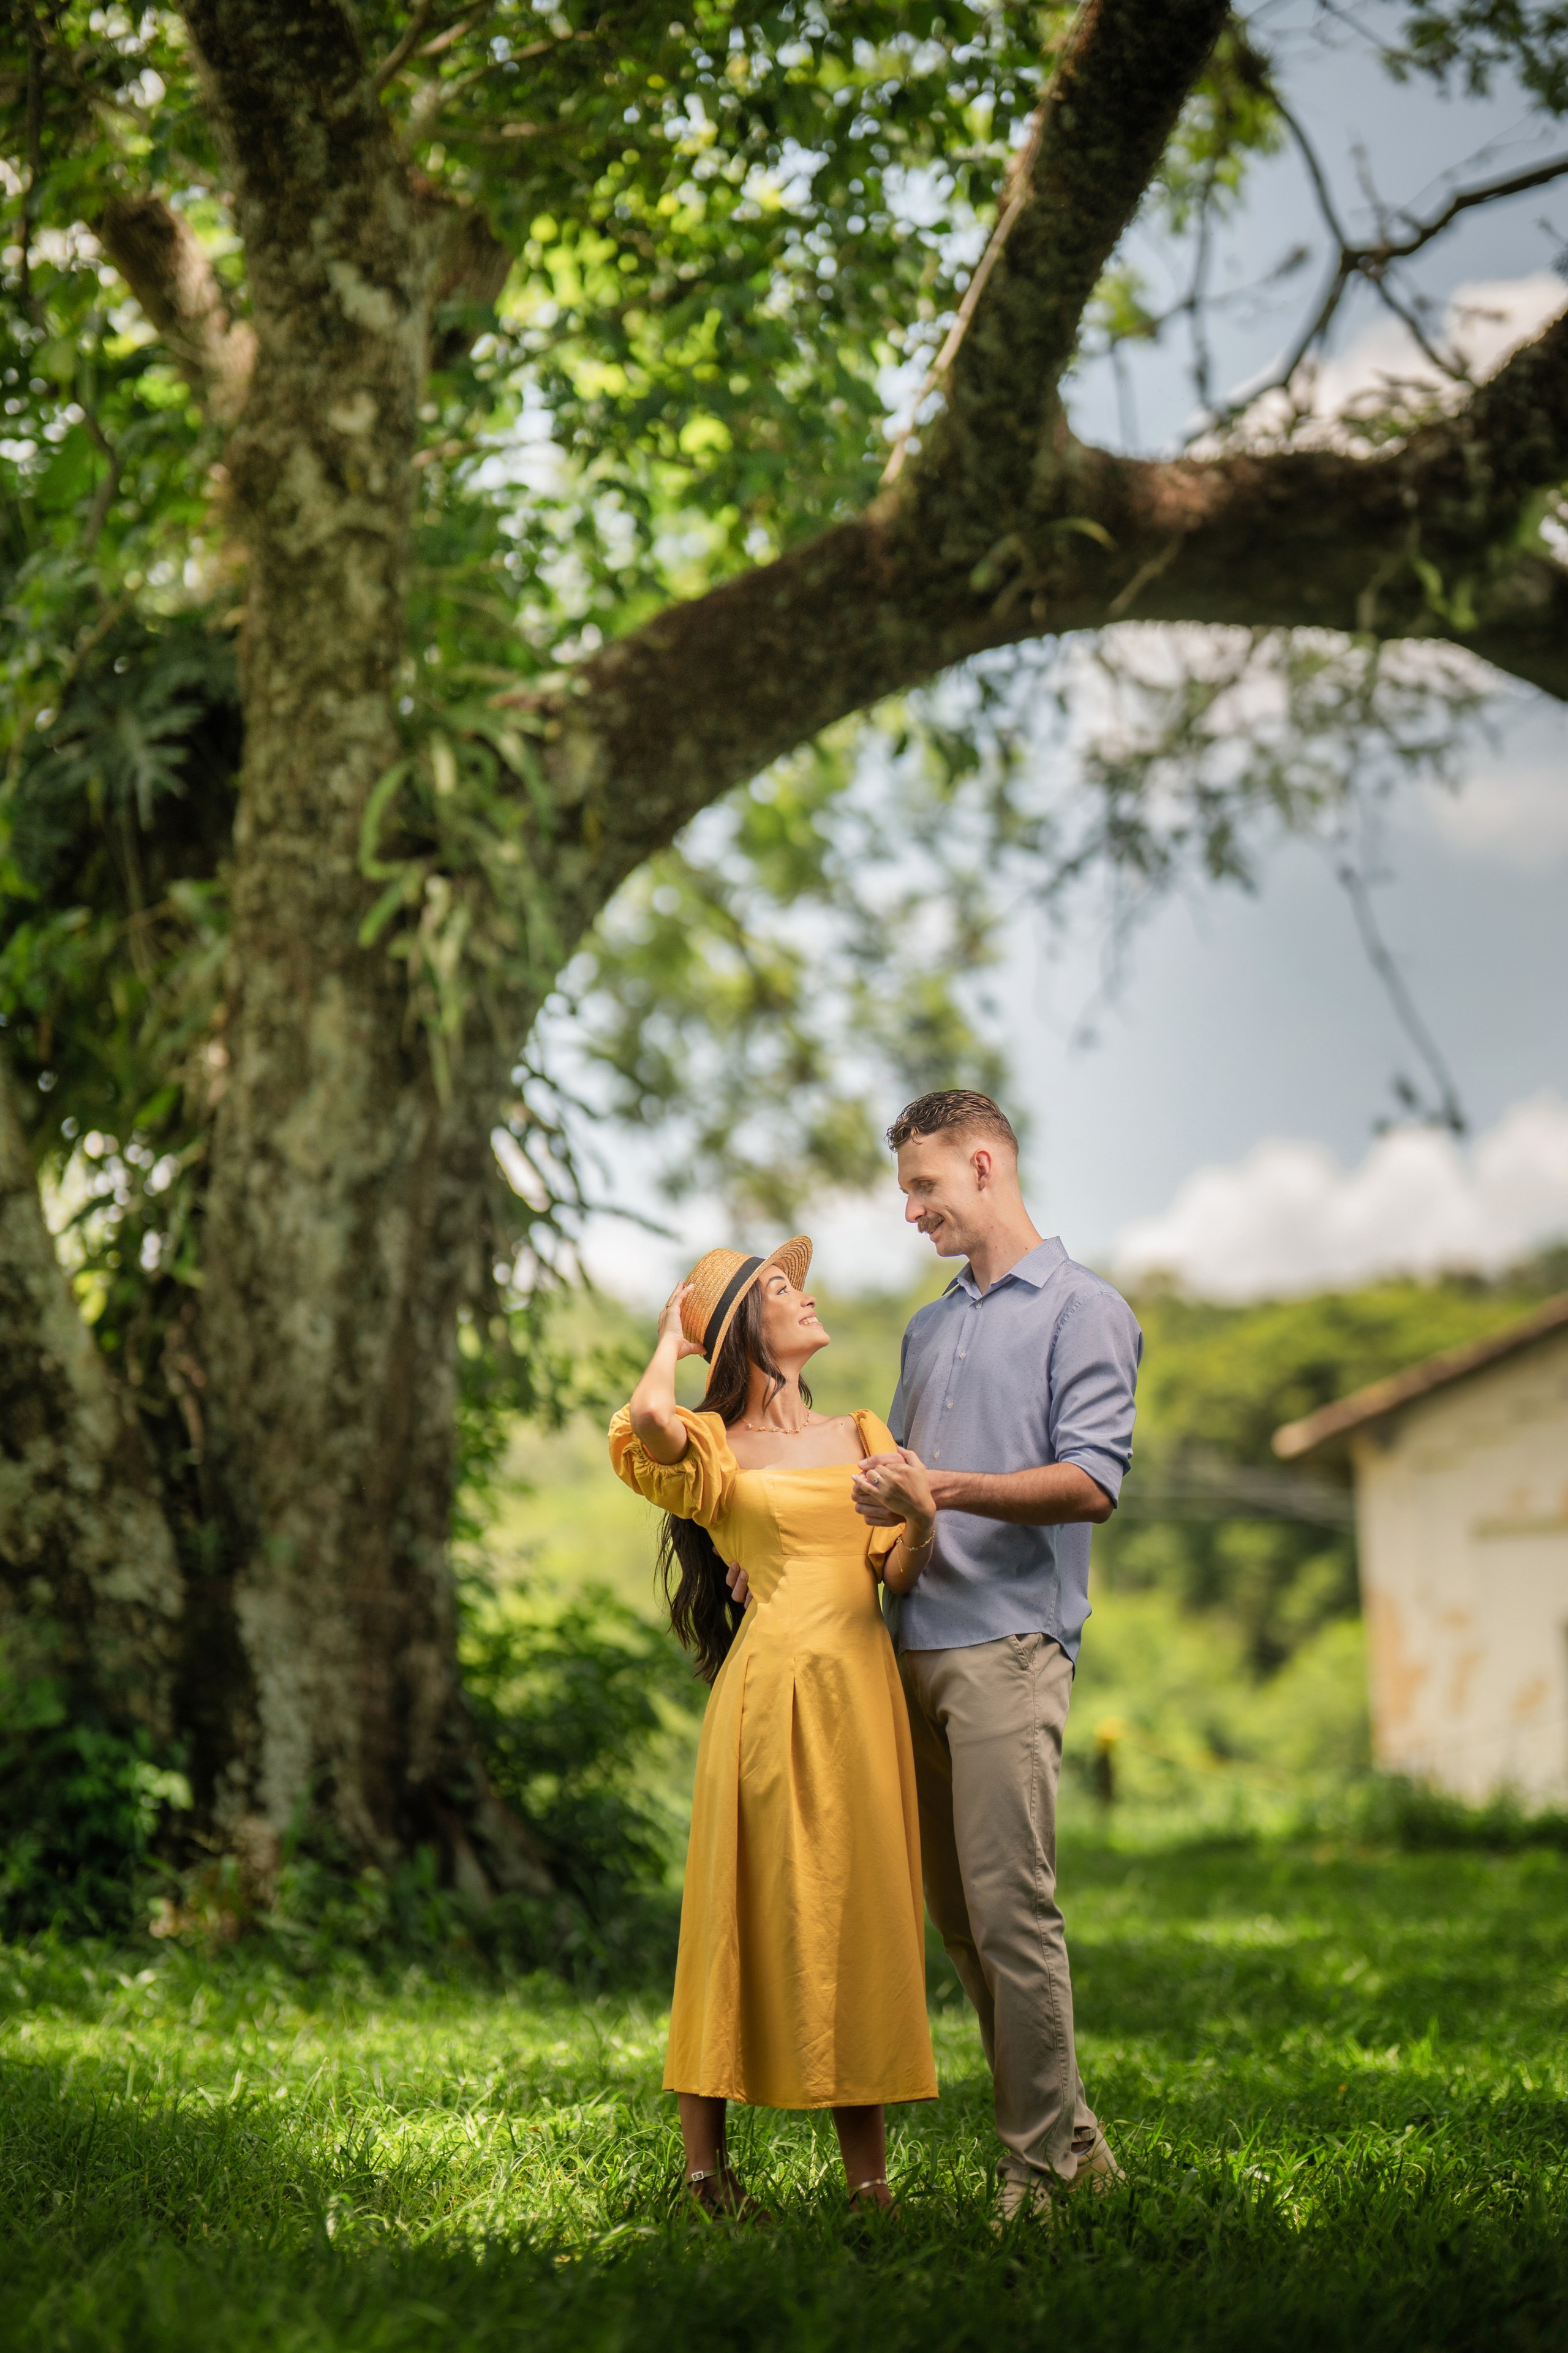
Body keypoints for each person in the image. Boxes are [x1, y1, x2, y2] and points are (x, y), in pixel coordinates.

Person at [751, 1090, 1142, 2223]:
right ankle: (1071, 2140)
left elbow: (1094, 1483)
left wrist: (948, 1486)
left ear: (983, 1165)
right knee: (962, 1921)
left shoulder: (1085, 1309)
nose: (911, 1209)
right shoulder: (930, 1327)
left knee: (1012, 1909)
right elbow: (889, 1492)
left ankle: (1036, 2174)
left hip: (1009, 1646)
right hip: (904, 1646)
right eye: (909, 1190)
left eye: (925, 1186)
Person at [608, 1236, 938, 2223]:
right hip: (764, 1699)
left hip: (860, 1691)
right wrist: (674, 1336)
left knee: (863, 1912)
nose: (808, 1296)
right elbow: (649, 1421)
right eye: (784, 1288)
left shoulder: (863, 1429)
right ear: (746, 1325)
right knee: (737, 1911)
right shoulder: (713, 1449)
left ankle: (869, 2182)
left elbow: (896, 1573)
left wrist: (921, 1520)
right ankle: (705, 2171)